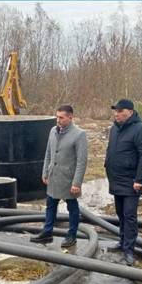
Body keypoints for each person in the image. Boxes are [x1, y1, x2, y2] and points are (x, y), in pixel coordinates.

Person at [30, 105, 88, 248]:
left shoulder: (79, 134)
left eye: (61, 117)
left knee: (72, 207)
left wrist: (77, 183)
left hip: (68, 179)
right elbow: (48, 153)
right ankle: (47, 232)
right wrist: (45, 172)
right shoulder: (53, 131)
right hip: (53, 176)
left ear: (70, 117)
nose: (58, 120)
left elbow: (82, 161)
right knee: (50, 205)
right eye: (57, 117)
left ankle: (72, 235)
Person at [104, 99, 142, 266]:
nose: (116, 114)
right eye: (115, 111)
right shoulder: (115, 129)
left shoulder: (140, 129)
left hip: (131, 182)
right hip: (116, 179)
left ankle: (129, 250)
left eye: (120, 111)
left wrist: (139, 179)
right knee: (120, 214)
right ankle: (122, 242)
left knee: (130, 216)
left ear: (130, 112)